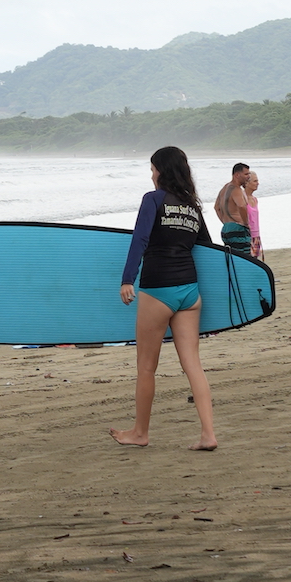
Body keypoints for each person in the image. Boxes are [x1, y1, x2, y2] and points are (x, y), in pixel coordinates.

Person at [111, 146, 217, 451]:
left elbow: (140, 239)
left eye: (153, 168)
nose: (151, 173)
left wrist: (127, 279)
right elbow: (207, 248)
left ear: (162, 170)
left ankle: (140, 432)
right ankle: (208, 434)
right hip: (190, 292)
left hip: (158, 290)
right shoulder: (192, 206)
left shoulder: (153, 199)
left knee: (146, 367)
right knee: (193, 365)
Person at [213, 162, 252, 254]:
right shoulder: (236, 189)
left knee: (231, 258)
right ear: (237, 175)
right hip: (237, 228)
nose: (248, 176)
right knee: (244, 258)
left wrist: (225, 222)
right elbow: (241, 206)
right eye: (246, 174)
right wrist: (246, 223)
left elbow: (216, 207)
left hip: (226, 228)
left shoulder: (225, 188)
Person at [244, 170, 263, 260]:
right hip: (247, 236)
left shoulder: (255, 199)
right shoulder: (242, 198)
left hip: (256, 236)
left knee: (255, 260)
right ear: (247, 183)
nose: (258, 183)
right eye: (255, 181)